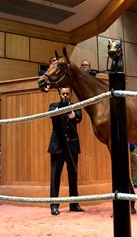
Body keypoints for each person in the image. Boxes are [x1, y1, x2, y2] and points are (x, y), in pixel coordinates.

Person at [48, 86, 84, 215]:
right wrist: (64, 109)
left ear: (71, 95)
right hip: (57, 146)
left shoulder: (76, 106)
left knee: (73, 176)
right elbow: (53, 114)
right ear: (60, 94)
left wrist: (70, 111)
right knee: (55, 177)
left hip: (72, 147)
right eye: (63, 93)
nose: (65, 96)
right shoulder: (53, 106)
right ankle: (54, 205)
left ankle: (74, 204)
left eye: (67, 94)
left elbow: (78, 118)